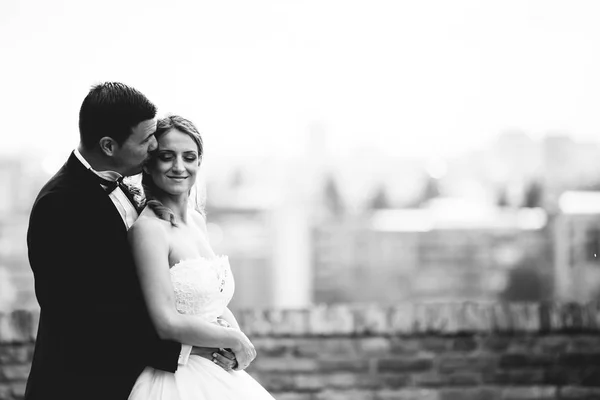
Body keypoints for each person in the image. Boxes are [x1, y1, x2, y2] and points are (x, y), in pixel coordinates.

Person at [25, 82, 235, 400]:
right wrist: (189, 350)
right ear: (109, 146)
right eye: (146, 139)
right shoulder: (61, 205)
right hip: (84, 385)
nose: (154, 146)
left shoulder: (126, 187)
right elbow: (85, 317)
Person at [127, 115, 275, 399]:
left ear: (199, 163)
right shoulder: (149, 231)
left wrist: (233, 346)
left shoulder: (197, 220)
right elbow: (166, 322)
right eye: (167, 156)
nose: (179, 166)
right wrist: (233, 339)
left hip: (219, 371)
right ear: (148, 163)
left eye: (189, 157)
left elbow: (212, 303)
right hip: (179, 379)